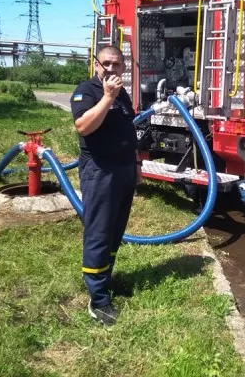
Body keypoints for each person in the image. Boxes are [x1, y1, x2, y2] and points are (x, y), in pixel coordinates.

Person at [70, 45, 142, 326]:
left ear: (124, 67)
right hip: (100, 171)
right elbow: (83, 126)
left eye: (117, 64)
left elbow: (129, 130)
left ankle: (105, 279)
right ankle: (98, 300)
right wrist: (108, 97)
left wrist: (136, 164)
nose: (112, 69)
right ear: (96, 65)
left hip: (124, 170)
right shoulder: (86, 91)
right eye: (106, 64)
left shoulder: (122, 93)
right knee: (99, 233)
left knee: (115, 231)